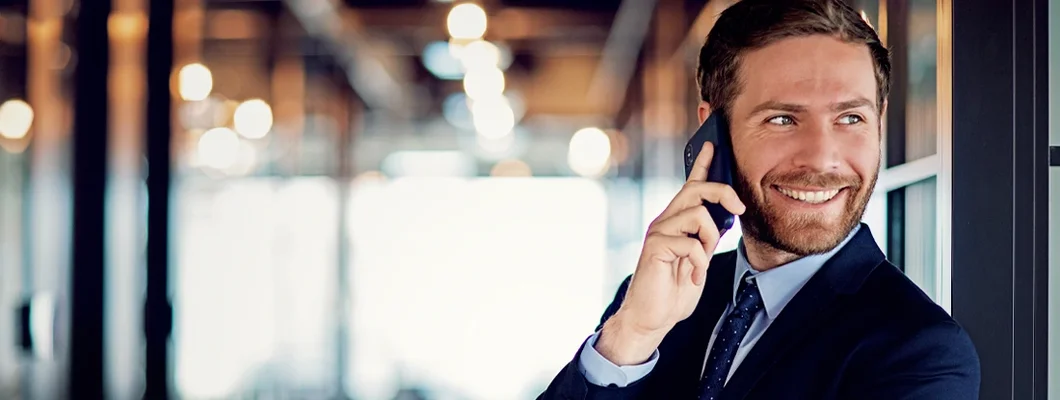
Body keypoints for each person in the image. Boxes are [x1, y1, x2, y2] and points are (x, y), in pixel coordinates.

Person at [537, 0, 980, 399]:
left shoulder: (921, 354)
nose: (823, 159)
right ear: (714, 131)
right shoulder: (655, 303)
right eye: (783, 118)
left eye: (850, 117)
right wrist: (630, 335)